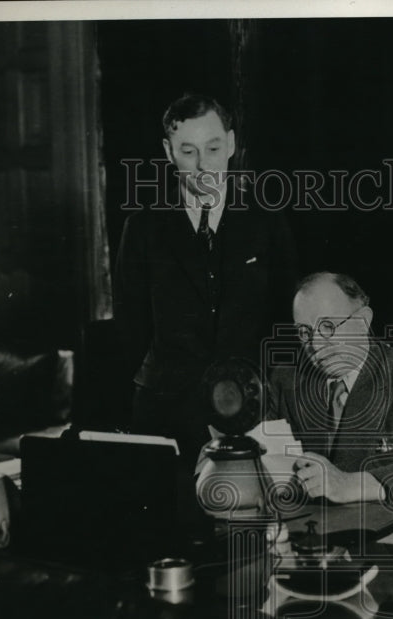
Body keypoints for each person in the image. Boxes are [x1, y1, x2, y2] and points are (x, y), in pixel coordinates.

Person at [113, 93, 297, 457]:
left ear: (230, 144)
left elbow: (284, 322)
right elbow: (130, 331)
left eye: (212, 149)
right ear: (168, 152)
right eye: (188, 151)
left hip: (251, 407)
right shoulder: (142, 228)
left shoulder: (267, 222)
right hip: (165, 412)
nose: (203, 166)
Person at [266, 272, 393, 505]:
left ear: (363, 320)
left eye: (328, 327)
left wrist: (351, 484)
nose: (317, 345)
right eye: (304, 332)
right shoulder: (286, 377)